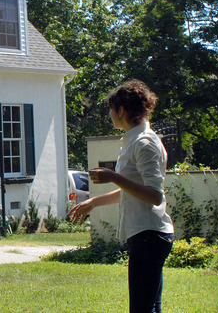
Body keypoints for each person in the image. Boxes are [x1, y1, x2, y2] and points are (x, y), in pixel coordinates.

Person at [68, 80, 174, 313]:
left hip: (150, 235)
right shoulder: (134, 140)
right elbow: (134, 190)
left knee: (142, 308)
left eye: (111, 109)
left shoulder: (144, 142)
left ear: (122, 111)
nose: (110, 114)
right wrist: (94, 202)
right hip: (146, 236)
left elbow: (155, 195)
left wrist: (113, 177)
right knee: (149, 307)